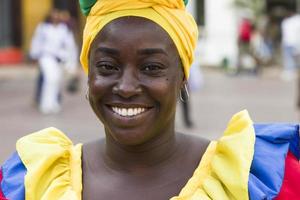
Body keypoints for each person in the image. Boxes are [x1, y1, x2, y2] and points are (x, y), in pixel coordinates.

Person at [1, 0, 300, 199]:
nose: (127, 86)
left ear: (182, 76)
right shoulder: (33, 182)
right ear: (88, 74)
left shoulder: (255, 182)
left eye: (151, 67)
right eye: (107, 66)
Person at [30, 9, 78, 114]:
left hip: (60, 59)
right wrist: (34, 55)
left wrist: (71, 62)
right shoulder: (43, 28)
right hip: (46, 57)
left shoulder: (63, 29)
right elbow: (36, 41)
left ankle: (54, 103)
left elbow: (70, 46)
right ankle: (45, 104)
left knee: (56, 81)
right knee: (50, 79)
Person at [280, 10, 300, 81]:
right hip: (294, 42)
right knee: (293, 58)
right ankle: (291, 72)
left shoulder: (285, 22)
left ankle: (289, 72)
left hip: (287, 42)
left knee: (288, 58)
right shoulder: (297, 20)